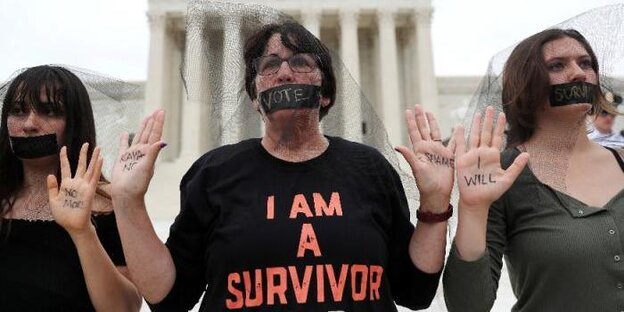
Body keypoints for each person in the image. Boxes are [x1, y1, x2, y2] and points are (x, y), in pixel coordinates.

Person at [111, 17, 453, 311]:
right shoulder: (214, 174)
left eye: (301, 62)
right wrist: (128, 203)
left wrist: (436, 203)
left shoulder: (370, 169)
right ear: (254, 99)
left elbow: (415, 291)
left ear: (326, 93)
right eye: (269, 66)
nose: (284, 73)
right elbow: (168, 298)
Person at [443, 28, 624, 311]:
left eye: (586, 63)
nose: (578, 73)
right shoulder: (501, 172)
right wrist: (474, 208)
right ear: (526, 84)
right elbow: (469, 305)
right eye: (557, 65)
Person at [0, 65, 142, 311]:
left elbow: (125, 308)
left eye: (49, 111)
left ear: (74, 123)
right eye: (18, 111)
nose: (29, 124)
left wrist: (83, 232)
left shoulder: (108, 205)